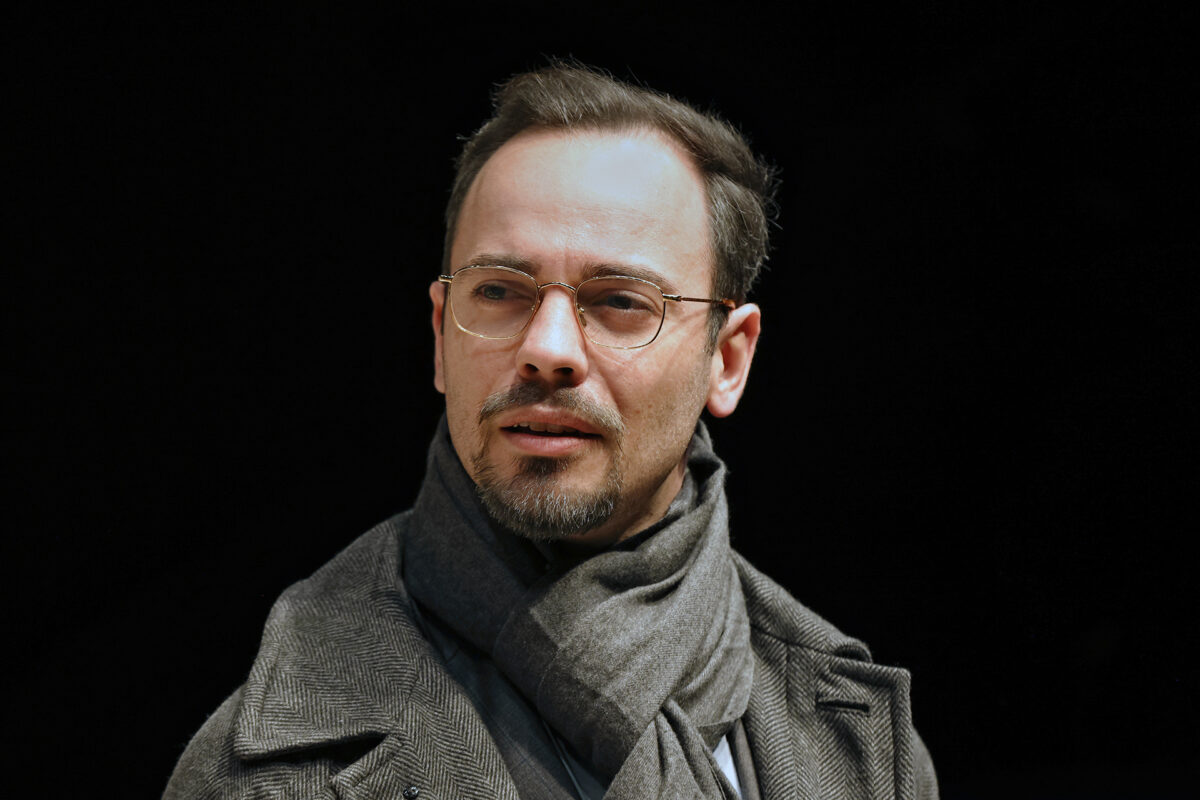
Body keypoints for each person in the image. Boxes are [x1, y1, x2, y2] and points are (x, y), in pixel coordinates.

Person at [165, 63, 938, 800]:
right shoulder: (263, 773)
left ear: (727, 360)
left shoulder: (860, 747)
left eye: (621, 301)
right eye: (500, 291)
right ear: (440, 337)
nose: (547, 349)